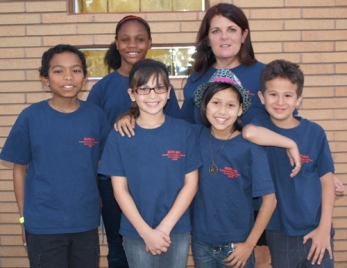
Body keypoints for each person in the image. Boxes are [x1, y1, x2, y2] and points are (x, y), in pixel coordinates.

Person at [0, 44, 111, 268]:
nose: (68, 76)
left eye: (76, 70)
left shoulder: (95, 116)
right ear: (45, 79)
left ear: (86, 77)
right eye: (58, 71)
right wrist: (24, 220)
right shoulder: (30, 117)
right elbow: (19, 170)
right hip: (42, 225)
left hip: (85, 224)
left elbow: (102, 165)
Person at [86, 15, 180, 268]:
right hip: (114, 182)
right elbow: (91, 138)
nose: (133, 45)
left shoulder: (161, 86)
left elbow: (174, 131)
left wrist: (133, 114)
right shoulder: (102, 88)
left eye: (140, 39)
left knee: (158, 241)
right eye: (125, 39)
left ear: (149, 42)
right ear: (116, 43)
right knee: (119, 247)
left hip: (157, 180)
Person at [98, 59, 201, 268]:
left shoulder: (185, 132)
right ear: (132, 94)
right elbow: (120, 190)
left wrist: (164, 228)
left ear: (169, 92)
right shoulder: (119, 136)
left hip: (176, 228)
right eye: (143, 89)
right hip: (136, 230)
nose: (152, 95)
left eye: (159, 88)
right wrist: (146, 232)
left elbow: (191, 184)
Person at [243, 59, 336, 268]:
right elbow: (248, 133)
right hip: (279, 231)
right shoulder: (260, 128)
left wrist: (324, 227)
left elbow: (327, 182)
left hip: (316, 228)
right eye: (273, 94)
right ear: (261, 97)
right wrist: (289, 143)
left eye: (288, 95)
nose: (280, 102)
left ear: (298, 99)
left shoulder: (315, 133)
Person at [191, 68, 278, 268]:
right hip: (201, 241)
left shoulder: (251, 150)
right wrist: (129, 116)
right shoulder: (194, 136)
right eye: (215, 103)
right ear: (205, 106)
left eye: (230, 105)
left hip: (238, 244)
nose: (222, 111)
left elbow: (269, 200)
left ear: (240, 109)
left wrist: (250, 244)